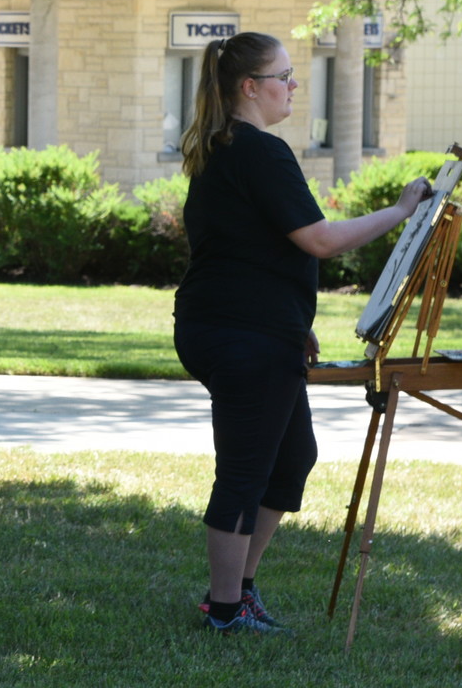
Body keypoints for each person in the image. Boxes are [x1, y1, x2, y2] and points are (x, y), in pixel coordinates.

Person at [172, 32, 432, 635]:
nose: (293, 85)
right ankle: (224, 610)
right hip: (238, 334)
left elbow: (248, 247)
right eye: (284, 75)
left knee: (291, 460)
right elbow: (317, 239)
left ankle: (239, 591)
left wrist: (290, 320)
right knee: (245, 469)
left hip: (250, 328)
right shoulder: (257, 151)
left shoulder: (229, 148)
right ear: (250, 87)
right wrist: (400, 212)